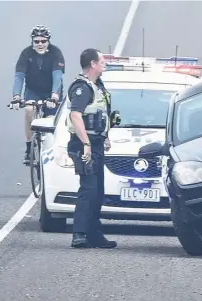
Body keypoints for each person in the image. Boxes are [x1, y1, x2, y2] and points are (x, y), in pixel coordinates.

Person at [66, 48, 120, 249]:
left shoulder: (97, 86)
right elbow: (76, 115)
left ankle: (95, 234)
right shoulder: (82, 88)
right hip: (83, 145)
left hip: (96, 144)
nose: (104, 64)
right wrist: (86, 144)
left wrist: (104, 136)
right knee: (88, 189)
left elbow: (100, 114)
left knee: (98, 191)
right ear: (92, 64)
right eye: (102, 62)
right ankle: (79, 234)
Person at [9, 25, 65, 164]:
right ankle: (29, 148)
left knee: (51, 120)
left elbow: (57, 75)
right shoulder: (26, 54)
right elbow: (19, 76)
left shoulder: (56, 53)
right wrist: (16, 96)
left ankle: (52, 150)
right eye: (37, 41)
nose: (40, 44)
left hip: (51, 91)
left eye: (43, 41)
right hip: (33, 90)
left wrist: (54, 95)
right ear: (32, 41)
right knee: (29, 110)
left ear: (48, 41)